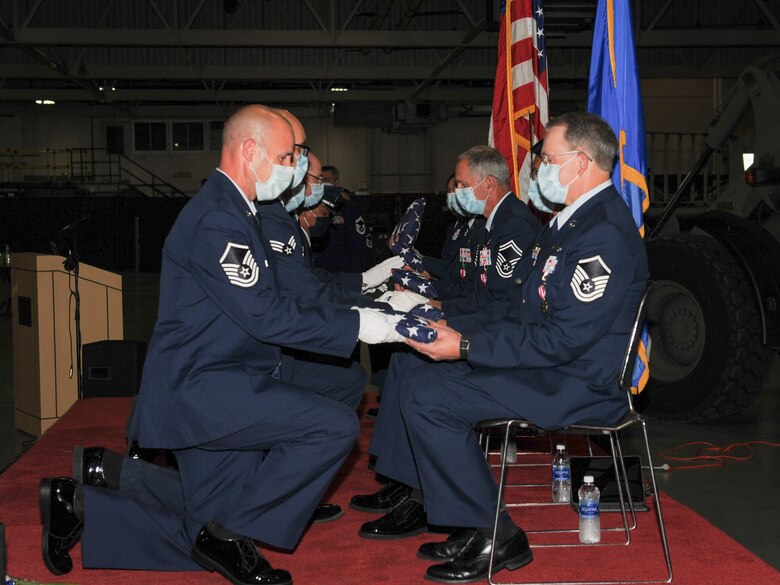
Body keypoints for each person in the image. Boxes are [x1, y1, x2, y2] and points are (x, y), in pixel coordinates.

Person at [39, 104, 407, 585]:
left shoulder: (240, 210)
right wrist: (363, 325)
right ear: (249, 151)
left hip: (224, 377)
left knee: (210, 529)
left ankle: (80, 499)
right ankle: (216, 529)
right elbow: (267, 313)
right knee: (332, 427)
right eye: (285, 157)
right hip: (204, 386)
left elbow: (279, 296)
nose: (292, 169)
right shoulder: (219, 218)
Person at [351, 112, 649, 583]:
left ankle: (497, 533)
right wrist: (448, 324)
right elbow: (520, 311)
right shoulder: (566, 225)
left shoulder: (602, 234)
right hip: (547, 365)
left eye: (548, 159)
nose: (538, 170)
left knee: (431, 398)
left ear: (582, 162)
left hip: (575, 382)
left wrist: (466, 345)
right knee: (420, 375)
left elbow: (564, 339)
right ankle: (466, 517)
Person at [381, 145, 542, 317]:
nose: (457, 193)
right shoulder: (496, 222)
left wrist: (431, 305)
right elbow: (474, 285)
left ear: (488, 184)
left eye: (462, 185)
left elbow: (496, 300)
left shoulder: (514, 225)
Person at [312, 164, 373, 274]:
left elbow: (359, 246)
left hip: (342, 273)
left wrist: (358, 277)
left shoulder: (349, 210)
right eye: (319, 180)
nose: (323, 183)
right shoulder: (311, 208)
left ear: (336, 183)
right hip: (318, 272)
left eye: (326, 180)